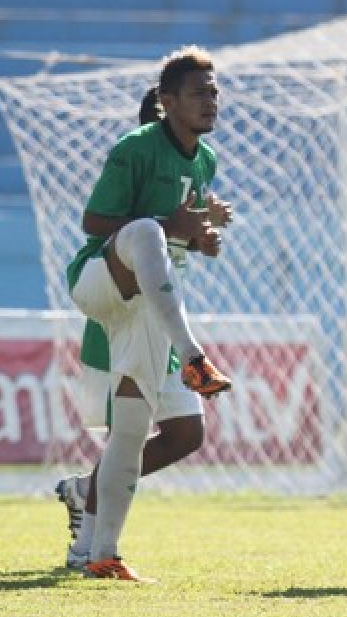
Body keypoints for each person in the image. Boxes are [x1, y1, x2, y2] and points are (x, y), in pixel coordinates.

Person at [65, 47, 234, 582]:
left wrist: (201, 236)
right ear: (167, 103)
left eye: (214, 91)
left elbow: (177, 237)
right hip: (103, 280)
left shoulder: (205, 160)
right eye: (198, 92)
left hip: (150, 306)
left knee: (141, 427)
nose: (211, 100)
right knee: (144, 231)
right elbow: (96, 222)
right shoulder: (136, 147)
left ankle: (96, 552)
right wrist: (170, 223)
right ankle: (195, 357)